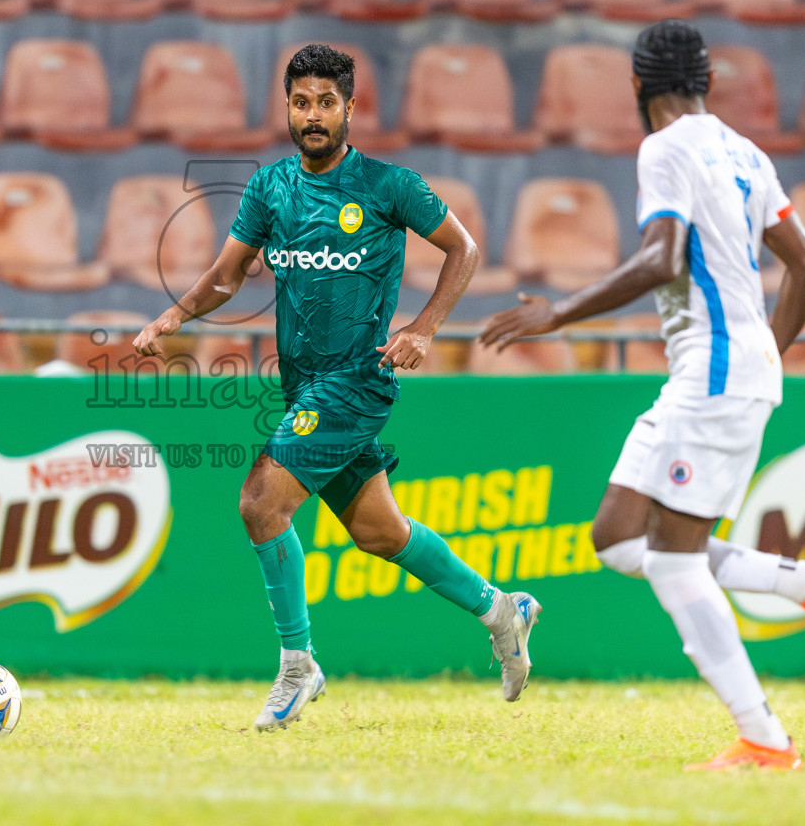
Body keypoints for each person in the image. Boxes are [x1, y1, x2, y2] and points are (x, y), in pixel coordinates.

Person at [479, 20, 805, 771]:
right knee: (620, 538)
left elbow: (661, 258)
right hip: (721, 370)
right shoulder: (746, 152)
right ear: (706, 81)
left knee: (676, 562)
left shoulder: (664, 148)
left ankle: (765, 740)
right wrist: (763, 354)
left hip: (715, 373)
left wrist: (558, 312)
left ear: (635, 87)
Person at [133, 44, 540, 732]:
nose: (313, 115)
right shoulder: (270, 189)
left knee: (260, 502)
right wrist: (174, 314)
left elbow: (464, 249)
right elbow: (230, 274)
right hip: (304, 387)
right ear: (287, 108)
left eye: (326, 102)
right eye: (301, 103)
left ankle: (299, 665)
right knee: (380, 533)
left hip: (358, 381)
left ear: (351, 107)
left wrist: (425, 326)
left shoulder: (389, 185)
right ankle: (501, 609)